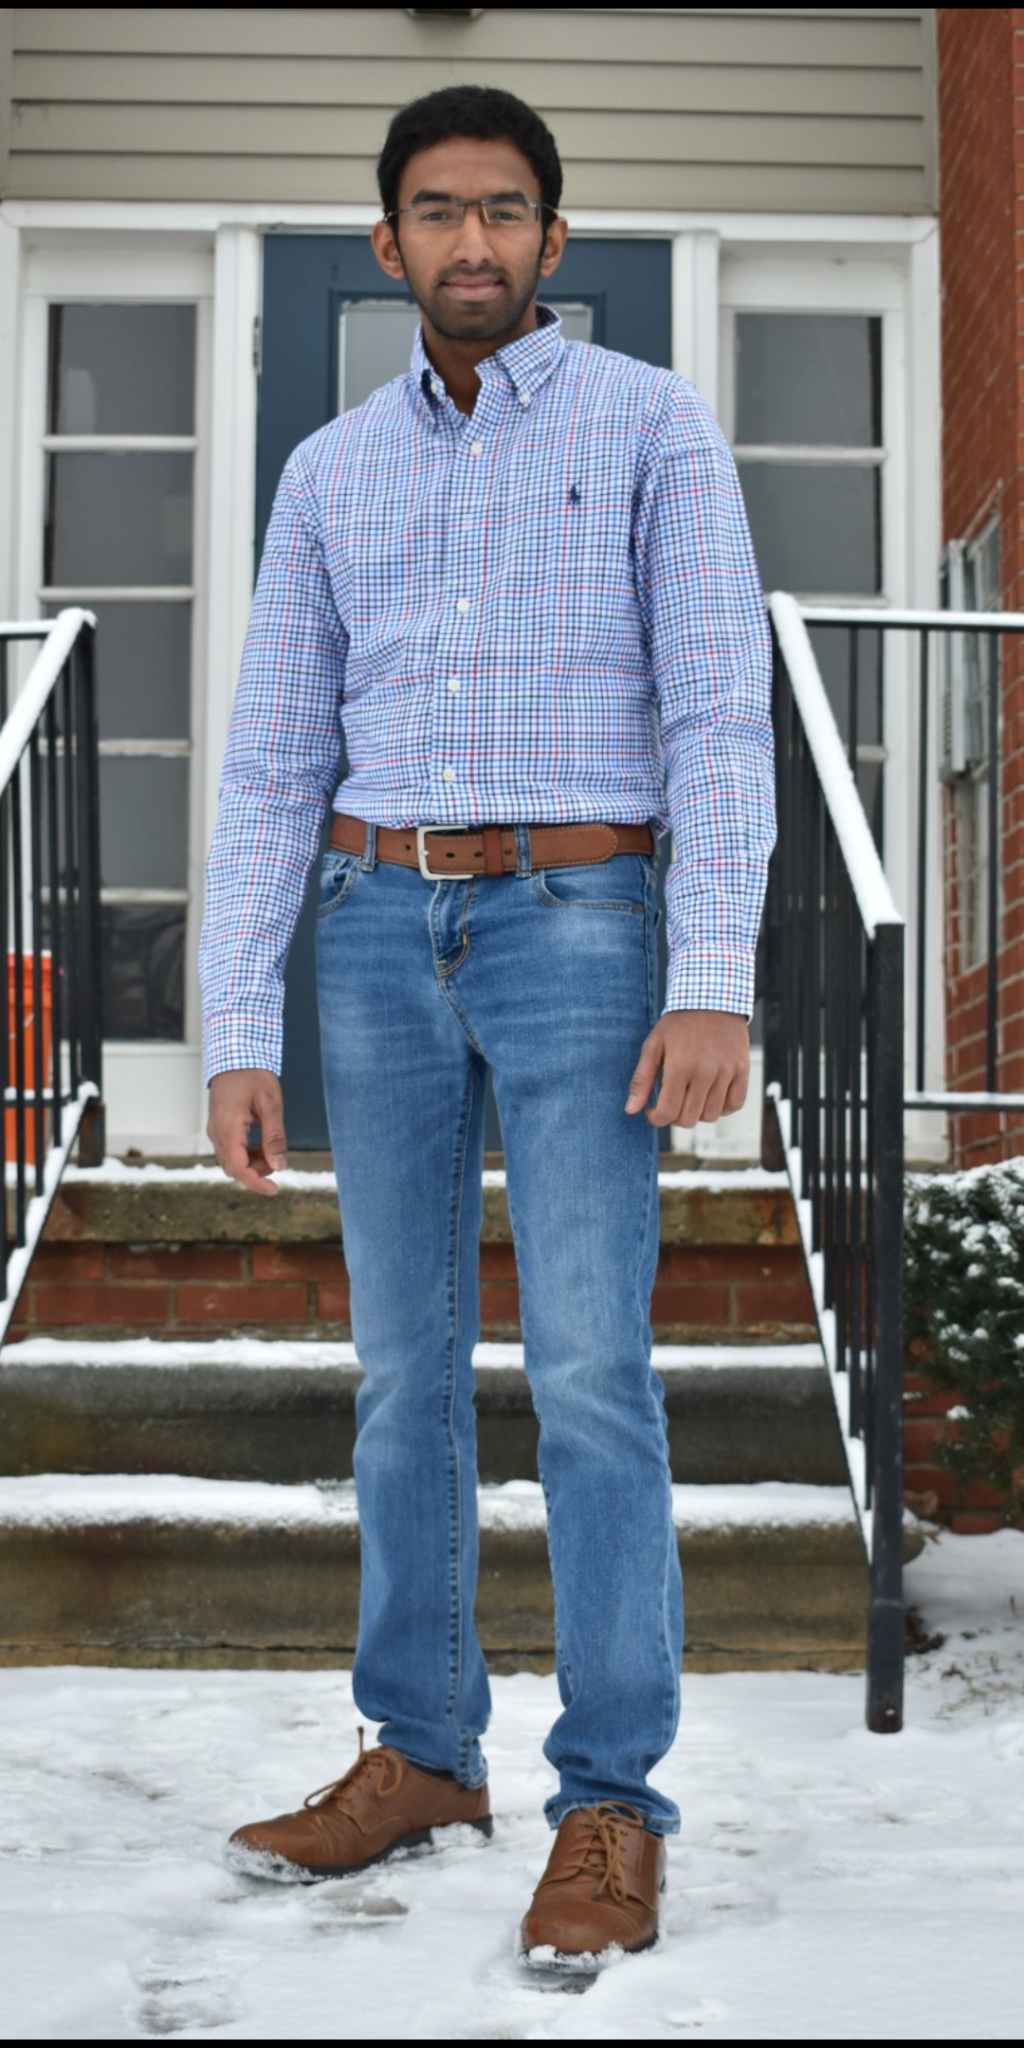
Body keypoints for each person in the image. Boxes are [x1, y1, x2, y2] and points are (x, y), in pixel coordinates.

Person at [200, 83, 774, 1970]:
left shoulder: (650, 428)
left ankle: (610, 1802)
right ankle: (426, 1753)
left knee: (594, 1369)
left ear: (551, 237)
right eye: (439, 212)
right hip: (375, 929)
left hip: (581, 923)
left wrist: (711, 973)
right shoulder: (328, 470)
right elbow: (272, 762)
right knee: (401, 1374)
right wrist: (237, 1022)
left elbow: (719, 715)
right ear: (390, 243)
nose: (473, 240)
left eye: (505, 210)